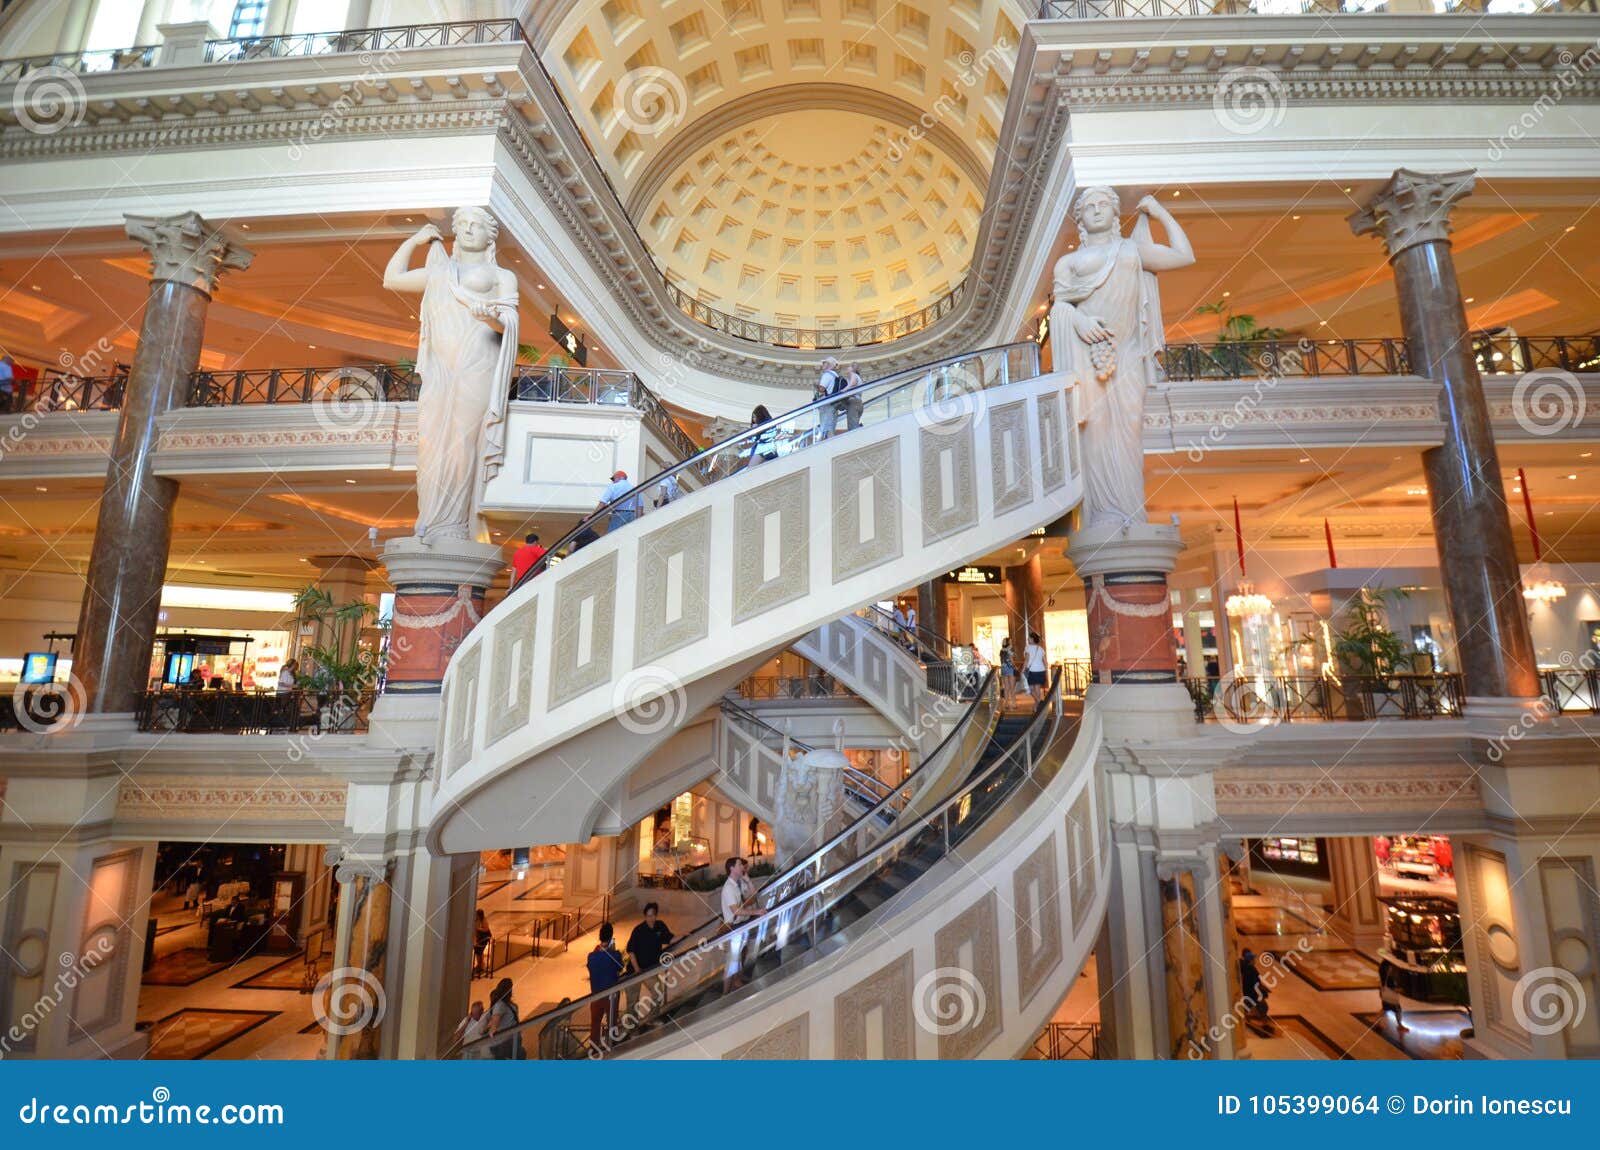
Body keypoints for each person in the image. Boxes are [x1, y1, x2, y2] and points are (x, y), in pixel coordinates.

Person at [624, 903, 673, 1017]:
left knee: (658, 992)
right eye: (648, 916)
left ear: (656, 915)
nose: (650, 918)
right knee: (632, 1001)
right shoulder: (638, 930)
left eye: (653, 915)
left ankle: (653, 1017)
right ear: (645, 916)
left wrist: (685, 935)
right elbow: (631, 951)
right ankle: (632, 1027)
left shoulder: (660, 926)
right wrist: (637, 970)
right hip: (635, 970)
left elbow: (670, 938)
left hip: (649, 970)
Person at [720, 856, 759, 993]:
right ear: (732, 868)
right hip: (732, 928)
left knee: (736, 961)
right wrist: (757, 911)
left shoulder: (739, 884)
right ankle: (724, 995)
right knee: (731, 964)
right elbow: (735, 910)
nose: (742, 866)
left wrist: (748, 881)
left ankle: (735, 986)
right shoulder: (728, 888)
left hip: (741, 927)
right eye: (739, 864)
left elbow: (754, 896)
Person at [586, 922, 626, 1049]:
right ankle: (611, 1046)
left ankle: (593, 1048)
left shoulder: (591, 956)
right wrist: (612, 951)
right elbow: (620, 968)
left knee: (595, 1023)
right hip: (611, 995)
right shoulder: (615, 955)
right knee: (611, 1022)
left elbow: (591, 969)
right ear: (610, 938)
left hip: (596, 994)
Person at [487, 977, 521, 1059]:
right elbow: (494, 1026)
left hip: (510, 1040)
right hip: (503, 1043)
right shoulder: (500, 1005)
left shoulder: (510, 1005)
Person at [1378, 959, 1409, 1034]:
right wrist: (1402, 990)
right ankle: (1400, 1026)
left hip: (1385, 995)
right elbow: (1394, 989)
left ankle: (1377, 1022)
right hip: (1391, 999)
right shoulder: (1390, 978)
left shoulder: (1383, 976)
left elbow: (1382, 985)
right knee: (1398, 1011)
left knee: (1385, 1009)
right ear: (1388, 968)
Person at [1239, 949, 1269, 1025]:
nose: (1255, 960)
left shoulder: (1243, 966)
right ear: (1251, 960)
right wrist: (1261, 993)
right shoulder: (1252, 969)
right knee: (1263, 1007)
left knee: (1246, 1007)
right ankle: (1264, 1023)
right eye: (1253, 959)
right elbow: (1256, 983)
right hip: (1252, 994)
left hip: (1246, 992)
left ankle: (1245, 1019)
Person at [814, 357, 842, 439]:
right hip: (833, 405)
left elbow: (822, 389)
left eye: (824, 363)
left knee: (826, 429)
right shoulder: (835, 375)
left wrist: (816, 385)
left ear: (829, 365)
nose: (822, 364)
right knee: (831, 427)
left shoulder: (827, 374)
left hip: (826, 405)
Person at [1022, 631, 1049, 703]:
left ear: (1032, 639)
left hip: (1032, 670)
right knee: (1037, 688)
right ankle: (1037, 707)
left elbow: (1027, 660)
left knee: (1030, 688)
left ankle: (1039, 701)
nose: (1028, 640)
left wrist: (1023, 669)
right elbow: (1045, 662)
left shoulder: (1028, 648)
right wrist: (1046, 671)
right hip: (1041, 670)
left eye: (1029, 638)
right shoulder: (1041, 649)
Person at [842, 362, 866, 430]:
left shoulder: (854, 375)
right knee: (855, 424)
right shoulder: (857, 377)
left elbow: (853, 384)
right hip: (859, 403)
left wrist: (844, 390)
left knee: (852, 427)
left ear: (852, 368)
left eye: (848, 367)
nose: (847, 368)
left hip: (853, 402)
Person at [473, 908, 493, 978]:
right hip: (479, 938)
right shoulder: (476, 920)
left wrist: (479, 929)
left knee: (479, 951)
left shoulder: (484, 921)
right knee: (478, 952)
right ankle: (480, 965)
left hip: (484, 938)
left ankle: (481, 966)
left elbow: (486, 929)